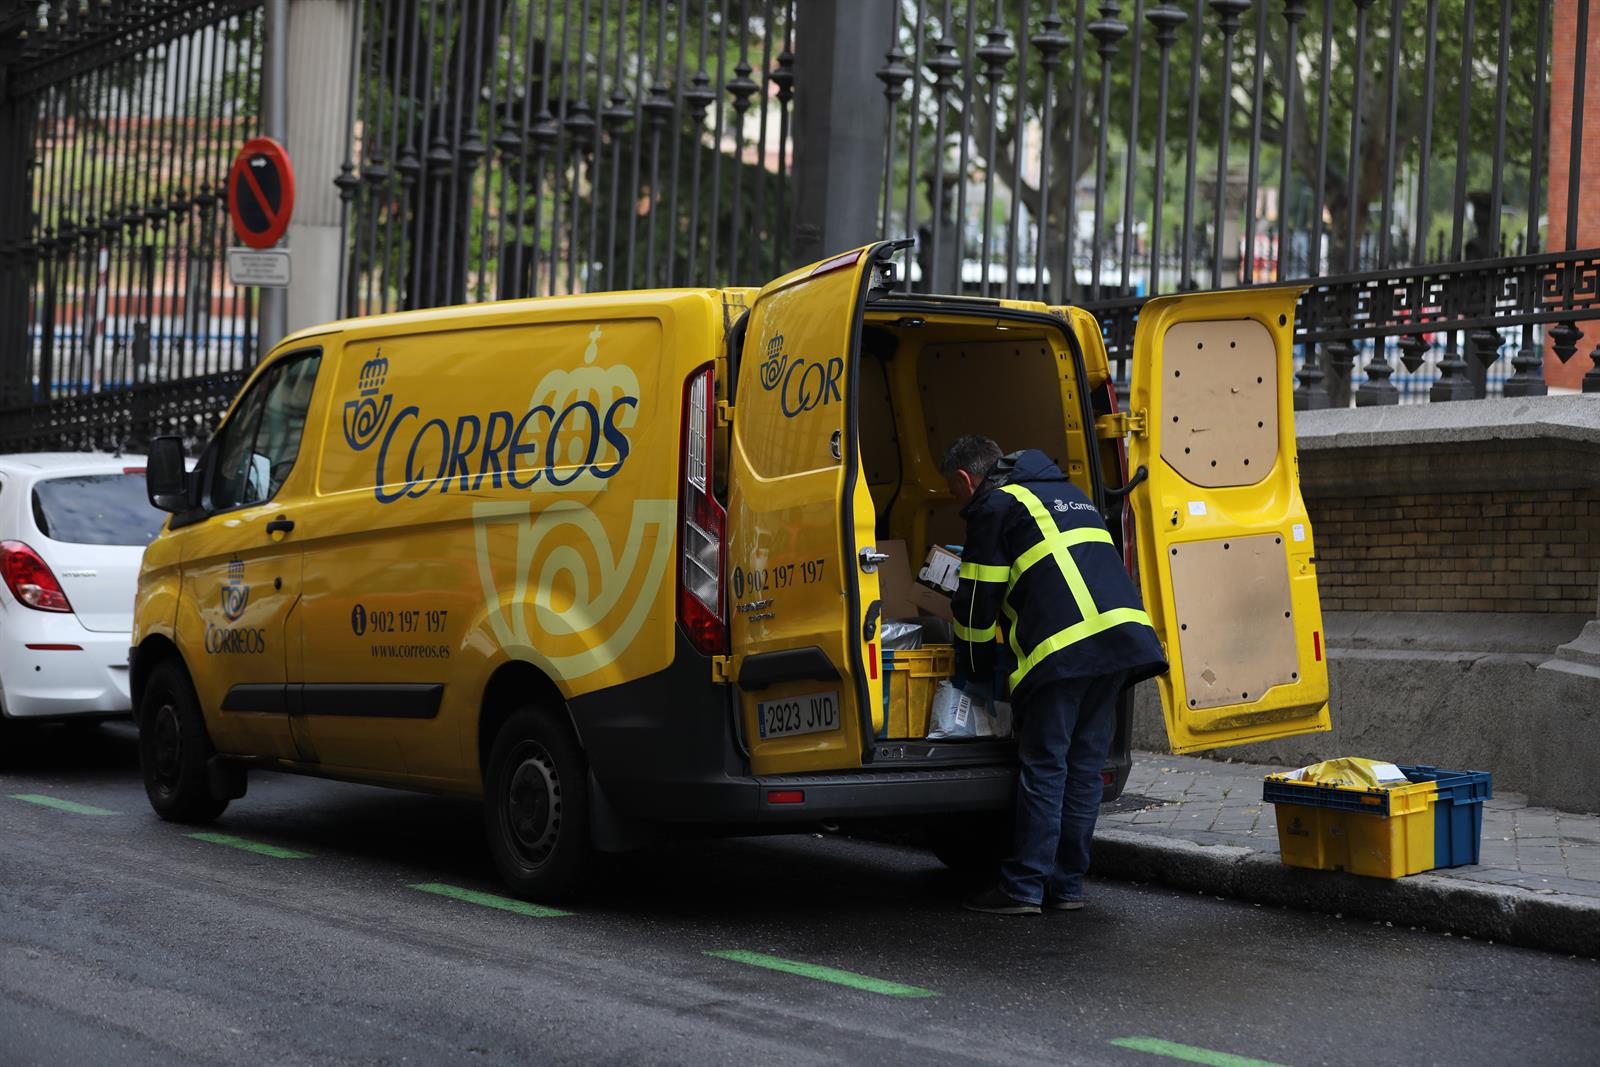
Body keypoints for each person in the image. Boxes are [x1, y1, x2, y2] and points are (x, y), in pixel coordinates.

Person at [940, 435, 1167, 915]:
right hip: (1119, 641)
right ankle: (1067, 887)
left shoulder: (994, 504)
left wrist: (975, 671)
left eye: (956, 492)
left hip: (1061, 653)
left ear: (965, 479)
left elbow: (978, 601)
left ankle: (1022, 886)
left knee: (1045, 767)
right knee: (1083, 770)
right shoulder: (1070, 493)